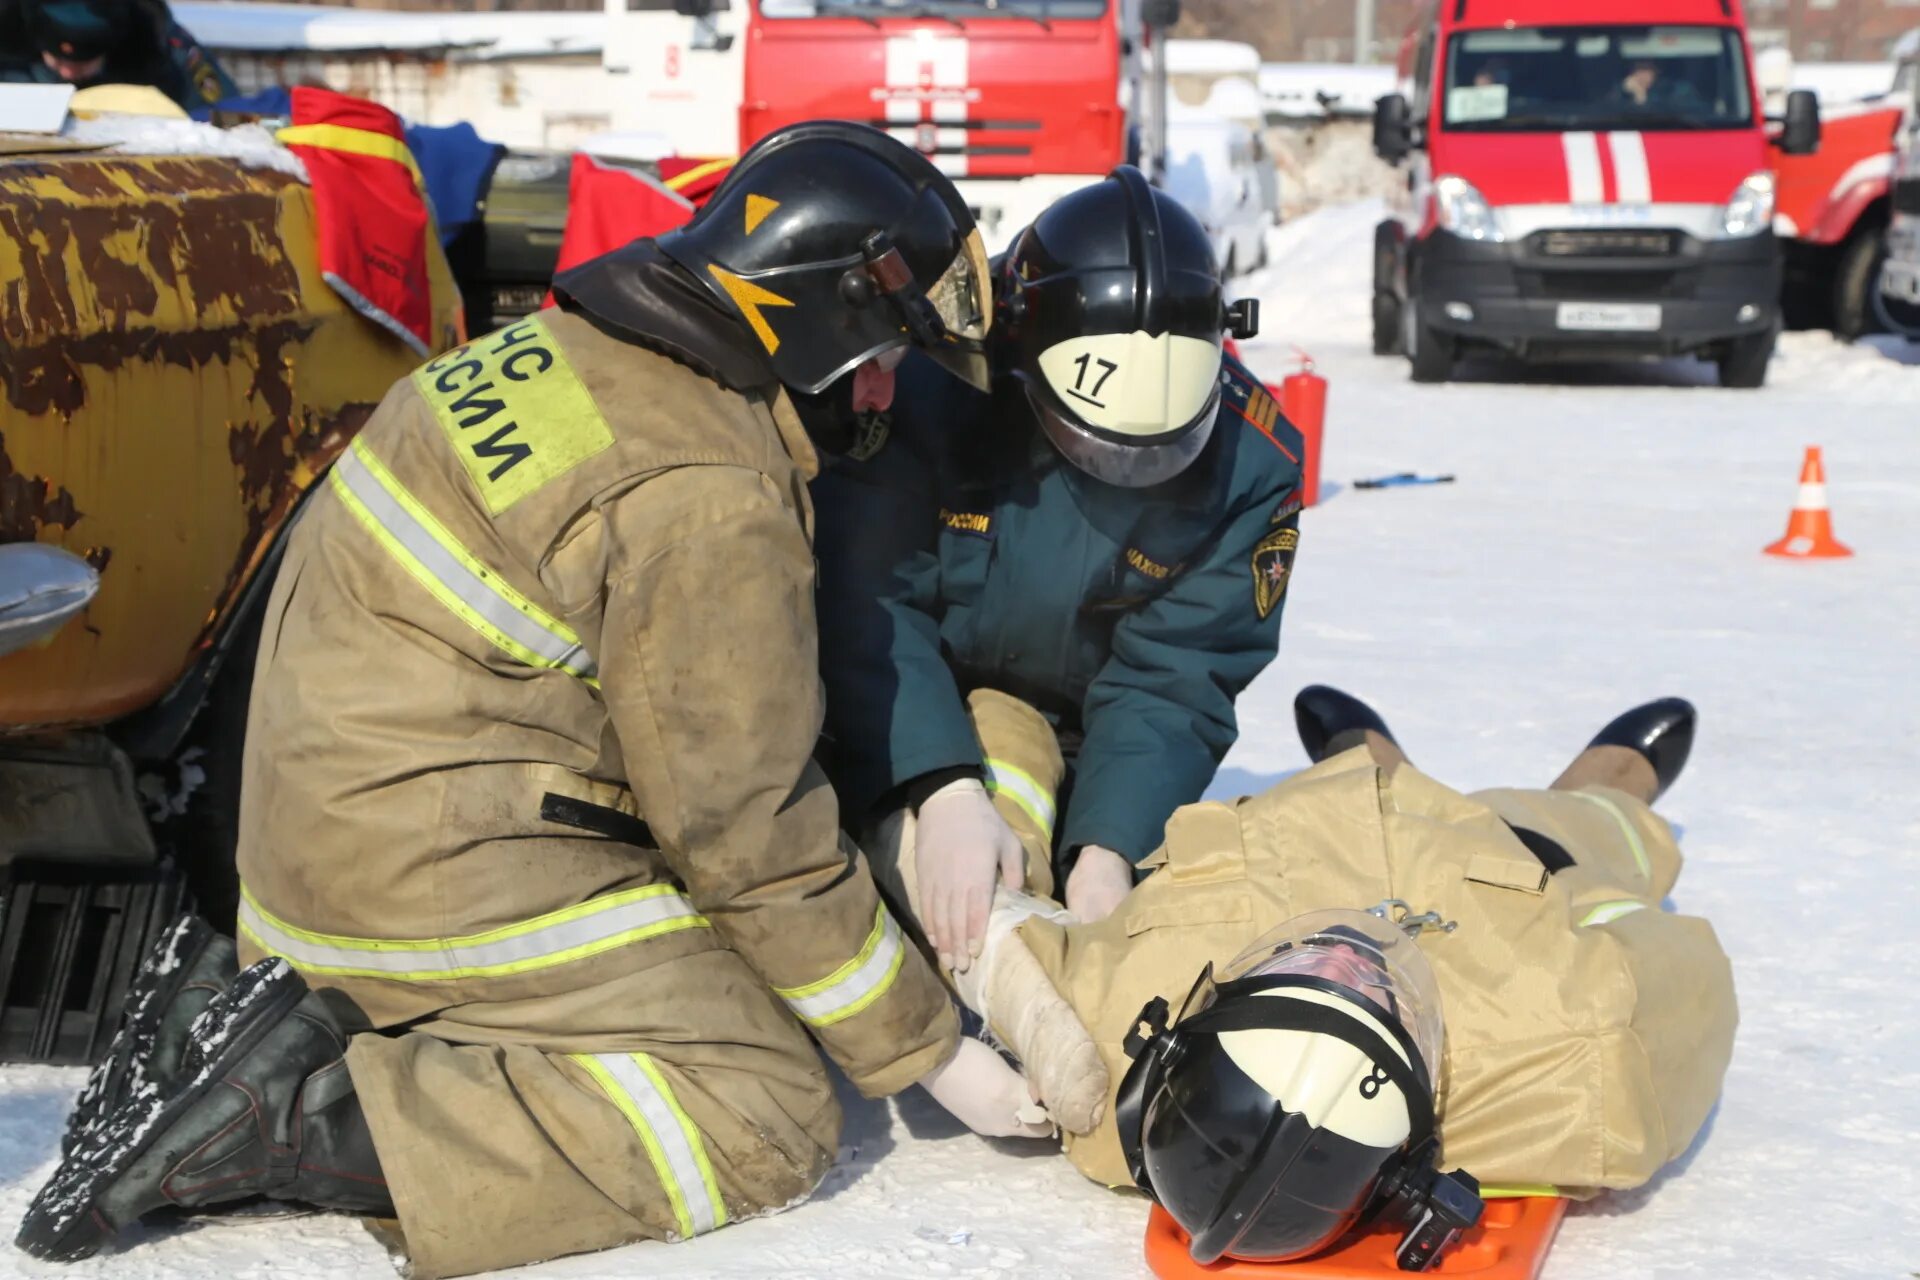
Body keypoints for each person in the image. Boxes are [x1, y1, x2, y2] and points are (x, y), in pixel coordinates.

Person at [18, 122, 1050, 1278]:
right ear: (818, 319)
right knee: (766, 1097)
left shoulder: (563, 352)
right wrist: (929, 1050)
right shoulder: (705, 489)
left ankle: (245, 1019)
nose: (883, 388)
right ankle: (303, 1111)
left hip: (309, 855)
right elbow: (744, 836)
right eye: (884, 353)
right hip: (423, 878)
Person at [923, 686, 1735, 1268]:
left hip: (1310, 832)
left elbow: (994, 930)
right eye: (1372, 1003)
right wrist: (1566, 887)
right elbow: (1680, 976)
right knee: (1588, 830)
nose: (1345, 954)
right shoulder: (1575, 1063)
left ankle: (1367, 758)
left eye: (1297, 974)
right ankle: (1610, 780)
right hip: (1492, 883)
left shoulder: (1111, 1050)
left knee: (1356, 778)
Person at [813, 166, 1298, 966]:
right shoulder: (927, 385)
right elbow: (869, 600)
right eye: (1092, 444)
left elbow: (1177, 677)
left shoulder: (1251, 464)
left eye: (1157, 456)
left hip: (1079, 753)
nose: (1123, 475)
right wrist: (942, 788)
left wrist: (1108, 850)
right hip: (891, 710)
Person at [0, 0, 234, 108]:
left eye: (84, 61)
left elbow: (221, 112)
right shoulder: (8, 24)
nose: (68, 71)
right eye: (57, 59)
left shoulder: (155, 38)